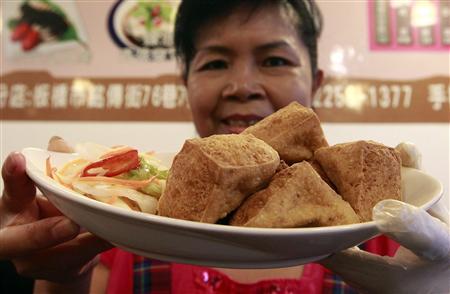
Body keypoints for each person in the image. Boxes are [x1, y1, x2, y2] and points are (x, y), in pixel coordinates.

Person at [1, 1, 449, 293]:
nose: (242, 86)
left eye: (274, 60)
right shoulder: (127, 225)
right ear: (186, 85)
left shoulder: (383, 232)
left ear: (314, 83)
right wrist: (64, 267)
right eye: (215, 62)